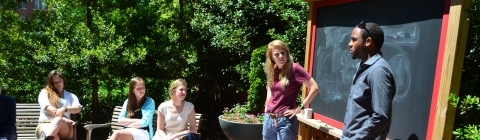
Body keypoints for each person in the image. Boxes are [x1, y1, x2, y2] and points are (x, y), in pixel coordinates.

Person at [341, 21, 396, 140]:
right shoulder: (364, 66)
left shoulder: (378, 71)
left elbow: (381, 116)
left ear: (368, 41)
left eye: (354, 40)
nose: (349, 44)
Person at [263, 40, 320, 140]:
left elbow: (315, 88)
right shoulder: (273, 69)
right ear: (272, 57)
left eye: (283, 53)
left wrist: (300, 107)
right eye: (277, 54)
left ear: (287, 53)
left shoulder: (294, 69)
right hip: (269, 119)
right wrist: (267, 103)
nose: (281, 56)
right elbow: (270, 87)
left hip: (284, 121)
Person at [36, 70, 83, 140]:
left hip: (65, 126)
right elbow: (47, 107)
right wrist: (64, 118)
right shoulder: (44, 93)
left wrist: (65, 109)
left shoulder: (70, 95)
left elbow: (78, 108)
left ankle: (44, 138)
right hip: (45, 123)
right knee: (54, 137)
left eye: (60, 81)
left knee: (58, 120)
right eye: (55, 82)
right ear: (51, 84)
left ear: (63, 81)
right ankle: (46, 138)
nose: (58, 84)